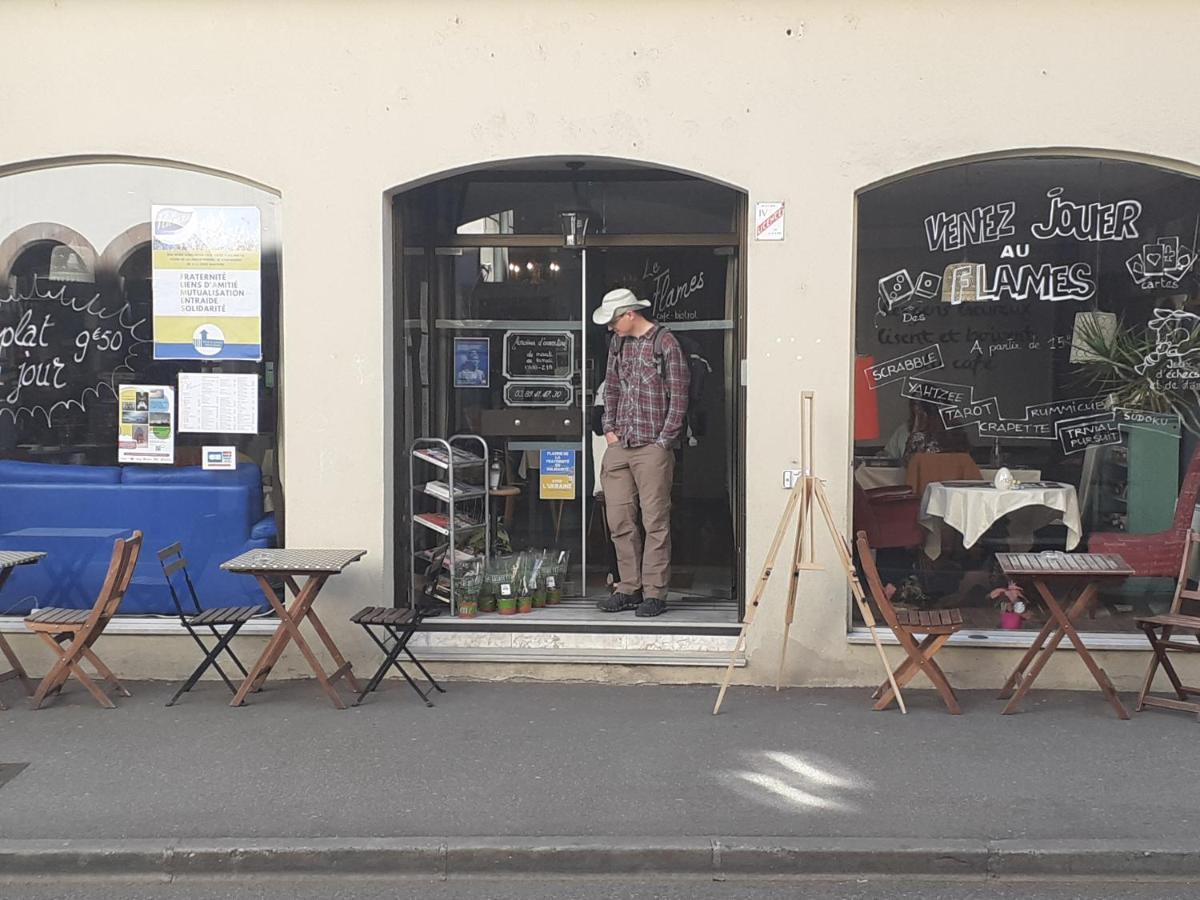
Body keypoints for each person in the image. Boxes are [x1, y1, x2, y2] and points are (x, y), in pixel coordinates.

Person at [592, 287, 690, 617]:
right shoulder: (618, 344)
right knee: (619, 518)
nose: (610, 328)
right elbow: (612, 386)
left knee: (655, 521)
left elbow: (679, 396)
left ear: (630, 314)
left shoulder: (665, 343)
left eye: (614, 321)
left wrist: (665, 440)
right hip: (621, 443)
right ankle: (628, 587)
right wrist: (609, 428)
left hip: (652, 445)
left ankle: (655, 592)